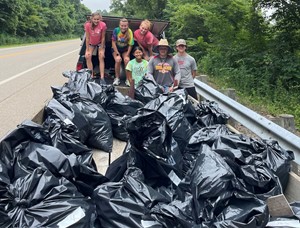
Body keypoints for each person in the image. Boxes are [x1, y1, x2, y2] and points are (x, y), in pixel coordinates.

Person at [111, 18, 134, 86]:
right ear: (119, 25)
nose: (123, 27)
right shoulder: (116, 30)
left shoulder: (130, 31)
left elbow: (131, 45)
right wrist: (117, 54)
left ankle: (127, 79)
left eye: (125, 26)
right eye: (122, 25)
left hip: (125, 49)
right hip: (116, 49)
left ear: (127, 26)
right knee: (118, 60)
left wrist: (127, 54)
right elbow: (113, 43)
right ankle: (117, 78)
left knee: (127, 60)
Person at [84, 12, 107, 80]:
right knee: (87, 56)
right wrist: (87, 50)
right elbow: (87, 38)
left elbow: (103, 38)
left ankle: (102, 77)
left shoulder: (103, 25)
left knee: (101, 56)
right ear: (92, 19)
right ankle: (91, 75)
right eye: (95, 19)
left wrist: (102, 49)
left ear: (100, 19)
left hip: (100, 43)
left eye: (98, 19)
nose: (96, 21)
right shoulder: (88, 25)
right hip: (91, 43)